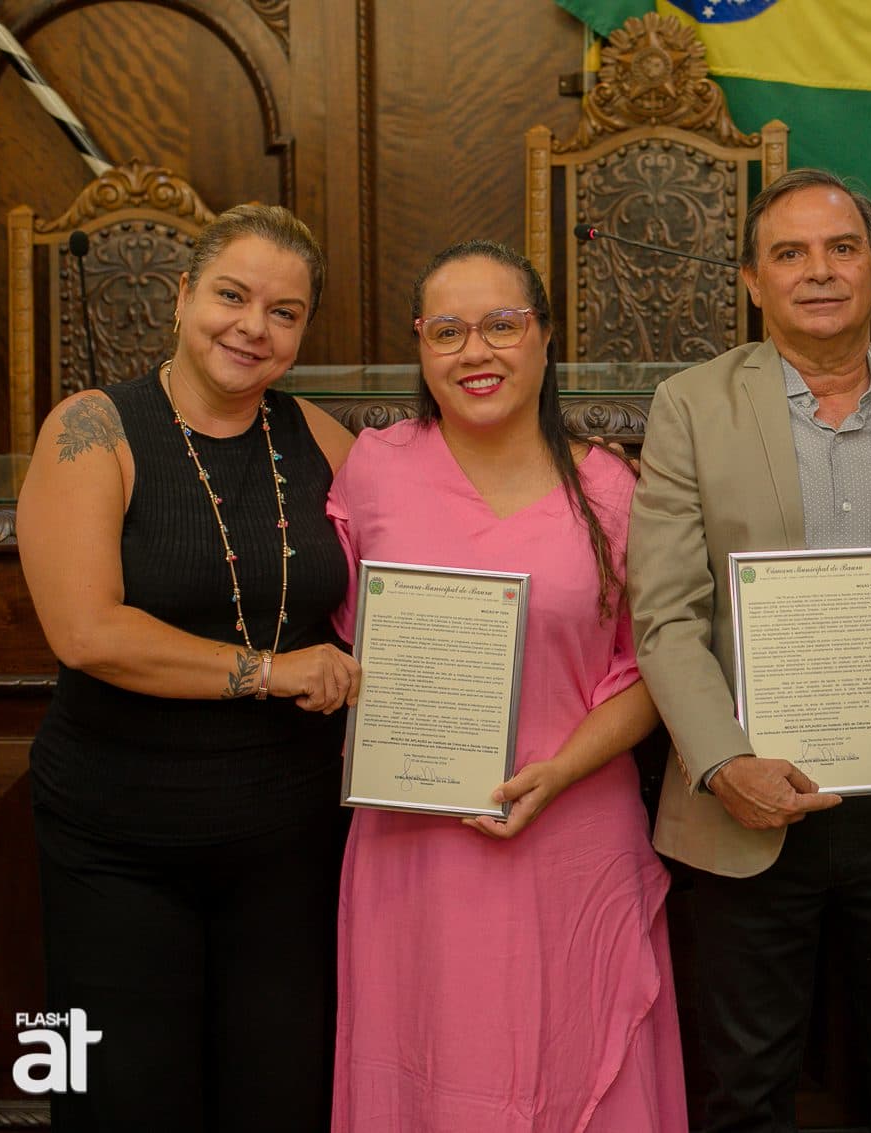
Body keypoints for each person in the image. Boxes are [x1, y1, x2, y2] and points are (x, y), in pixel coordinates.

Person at [628, 168, 871, 1133]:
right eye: (790, 253)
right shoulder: (691, 406)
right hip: (747, 802)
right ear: (753, 281)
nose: (819, 271)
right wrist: (725, 762)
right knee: (745, 1095)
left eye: (842, 248)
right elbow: (665, 613)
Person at [17, 204, 362, 1131]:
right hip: (114, 849)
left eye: (284, 312)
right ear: (182, 296)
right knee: (116, 1102)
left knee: (282, 1102)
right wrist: (273, 671)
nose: (253, 327)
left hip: (289, 848)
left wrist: (575, 470)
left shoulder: (321, 439)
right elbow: (86, 632)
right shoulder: (91, 429)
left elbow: (431, 531)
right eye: (231, 296)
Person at [328, 239, 685, 1132]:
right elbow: (337, 637)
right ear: (420, 345)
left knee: (578, 1066)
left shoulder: (611, 487)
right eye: (447, 331)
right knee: (424, 1069)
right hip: (417, 842)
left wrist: (557, 771)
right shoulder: (373, 469)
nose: (474, 351)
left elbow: (655, 670)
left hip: (574, 835)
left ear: (545, 335)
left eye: (501, 324)